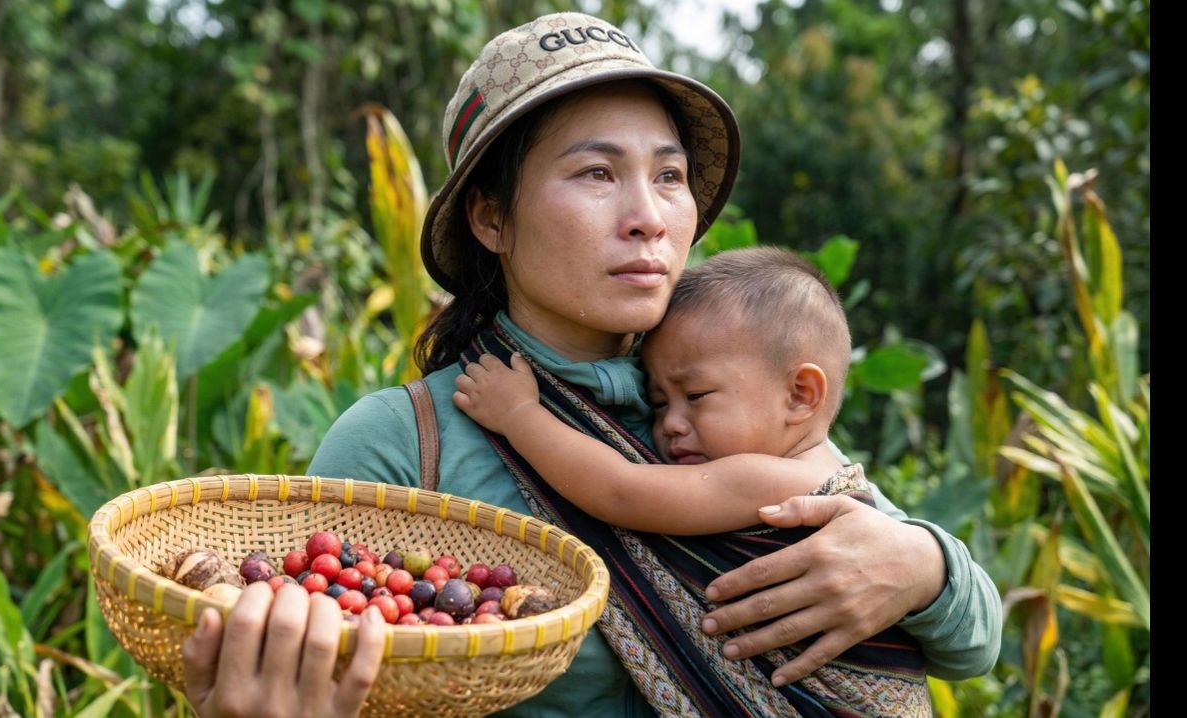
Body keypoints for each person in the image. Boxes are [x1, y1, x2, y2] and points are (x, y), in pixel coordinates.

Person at [183, 11, 1002, 717]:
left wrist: (920, 564)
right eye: (597, 173)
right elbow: (300, 655)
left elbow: (971, 642)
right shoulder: (404, 443)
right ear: (491, 217)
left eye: (669, 176)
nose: (648, 217)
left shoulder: (718, 402)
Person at [453, 246, 939, 713]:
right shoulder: (824, 475)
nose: (671, 424)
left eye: (698, 395)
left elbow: (621, 490)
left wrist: (519, 414)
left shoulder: (774, 481)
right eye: (661, 401)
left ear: (800, 395)